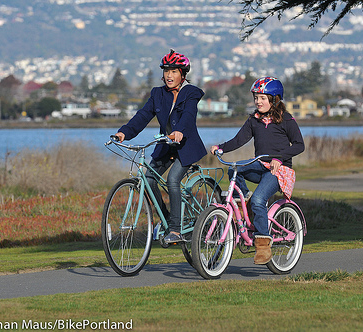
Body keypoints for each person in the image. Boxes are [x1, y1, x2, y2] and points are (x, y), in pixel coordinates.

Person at [210, 77, 305, 265]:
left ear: (275, 99)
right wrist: (221, 147)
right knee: (235, 170)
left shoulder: (287, 120)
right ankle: (243, 199)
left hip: (279, 170)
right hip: (260, 165)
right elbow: (239, 140)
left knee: (259, 199)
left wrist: (279, 158)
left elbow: (299, 145)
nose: (258, 102)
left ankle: (263, 245)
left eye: (262, 98)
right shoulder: (254, 120)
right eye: (256, 98)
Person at [115, 49, 206, 244]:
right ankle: (167, 220)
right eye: (166, 71)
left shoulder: (191, 93)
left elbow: (189, 116)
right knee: (149, 179)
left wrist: (179, 131)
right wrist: (124, 132)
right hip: (166, 146)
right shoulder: (158, 94)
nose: (169, 75)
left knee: (173, 179)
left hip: (186, 147)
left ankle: (176, 230)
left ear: (183, 74)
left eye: (174, 71)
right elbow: (143, 116)